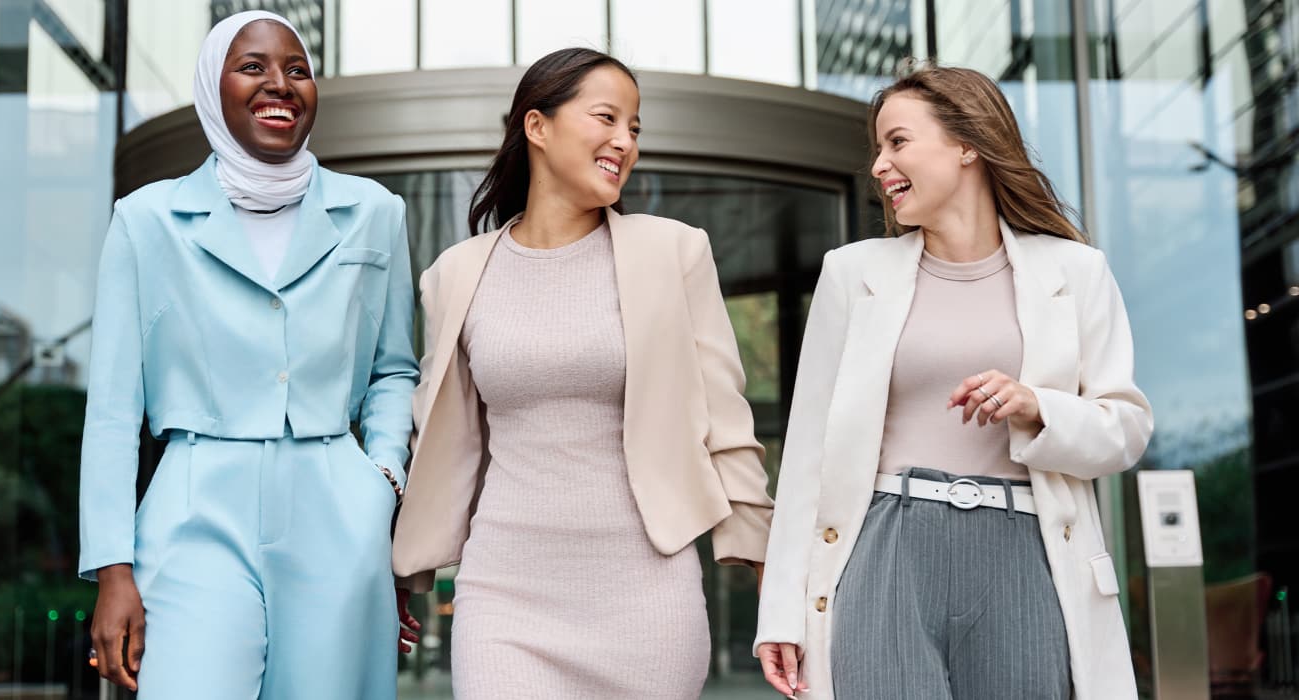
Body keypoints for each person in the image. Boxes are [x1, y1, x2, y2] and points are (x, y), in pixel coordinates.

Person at [754, 62, 1153, 700]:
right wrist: (781, 611)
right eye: (877, 149)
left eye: (898, 142)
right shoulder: (853, 274)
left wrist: (1037, 407)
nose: (880, 165)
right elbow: (807, 454)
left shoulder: (1075, 271)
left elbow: (1125, 430)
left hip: (1026, 548)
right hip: (884, 546)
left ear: (967, 144)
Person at [391, 48, 774, 699]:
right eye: (607, 118)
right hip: (505, 597)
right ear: (537, 127)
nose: (624, 141)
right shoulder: (454, 274)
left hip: (647, 597)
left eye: (634, 127)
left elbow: (724, 421)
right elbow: (442, 441)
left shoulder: (673, 252)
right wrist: (406, 572)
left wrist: (767, 567)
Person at [77, 11, 419, 698]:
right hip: (195, 502)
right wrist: (113, 567)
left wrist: (383, 475)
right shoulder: (145, 222)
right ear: (213, 85)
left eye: (298, 70)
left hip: (337, 504)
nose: (281, 84)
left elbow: (393, 367)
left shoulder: (375, 211)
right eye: (254, 66)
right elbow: (115, 407)